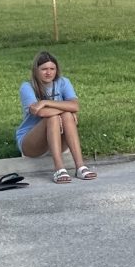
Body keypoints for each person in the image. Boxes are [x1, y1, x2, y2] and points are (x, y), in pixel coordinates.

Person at [17, 52, 97, 183]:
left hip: (58, 138)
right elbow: (40, 113)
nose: (48, 73)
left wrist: (45, 102)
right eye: (44, 69)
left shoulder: (63, 82)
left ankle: (80, 167)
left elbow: (75, 106)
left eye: (52, 69)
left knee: (66, 115)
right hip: (31, 143)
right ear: (36, 71)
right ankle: (59, 168)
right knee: (56, 117)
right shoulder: (27, 86)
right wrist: (66, 108)